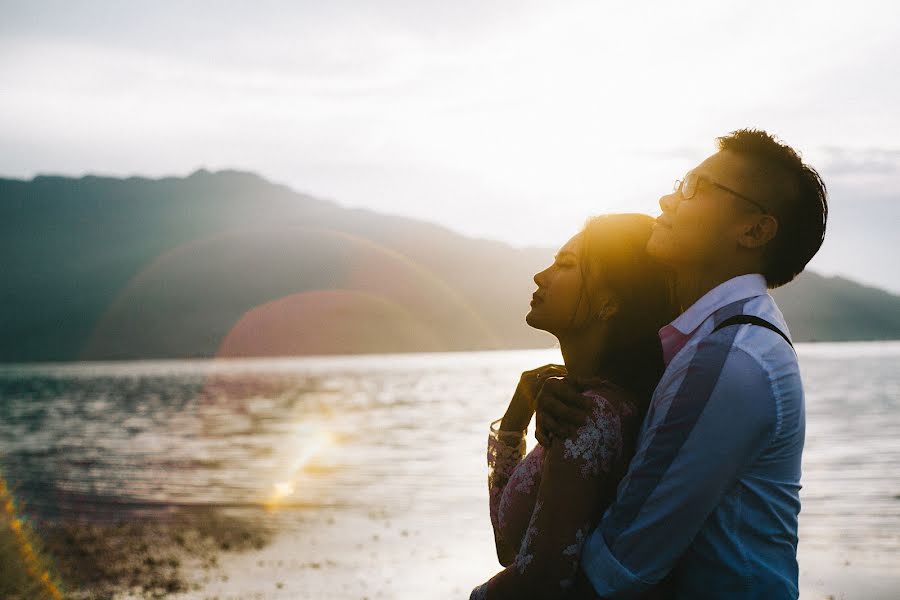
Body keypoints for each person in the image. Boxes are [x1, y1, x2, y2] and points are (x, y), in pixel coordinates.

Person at [535, 129, 828, 598]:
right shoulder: (710, 337)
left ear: (754, 230)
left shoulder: (729, 357)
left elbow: (620, 567)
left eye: (694, 188)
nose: (667, 200)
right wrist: (556, 390)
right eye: (679, 182)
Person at [469, 213, 679, 599]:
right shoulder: (591, 402)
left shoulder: (587, 417)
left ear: (608, 303)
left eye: (566, 265)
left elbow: (541, 582)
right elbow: (510, 545)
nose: (540, 276)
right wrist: (518, 414)